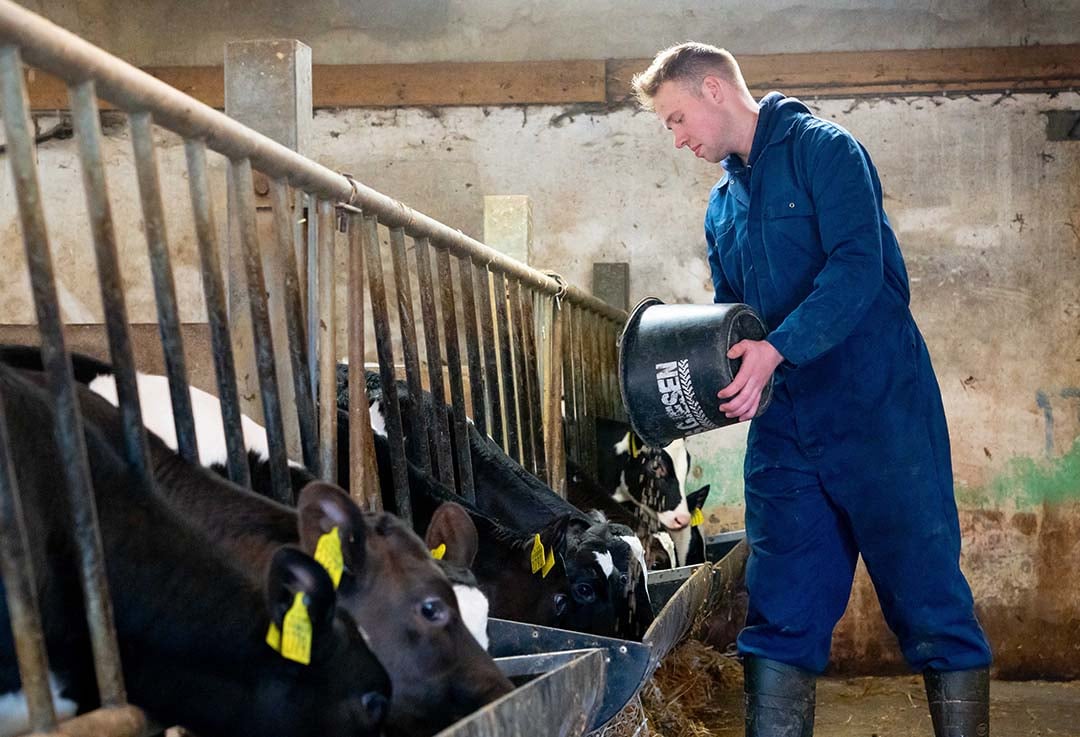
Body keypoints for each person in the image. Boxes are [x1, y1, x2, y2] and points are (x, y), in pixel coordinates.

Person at [631, 43, 992, 737]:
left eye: (676, 118)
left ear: (713, 89)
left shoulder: (826, 152)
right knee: (779, 615)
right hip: (787, 430)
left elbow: (862, 270)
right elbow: (732, 315)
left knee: (932, 604)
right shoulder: (721, 207)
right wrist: (714, 377)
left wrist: (777, 349)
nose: (676, 139)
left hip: (880, 412)